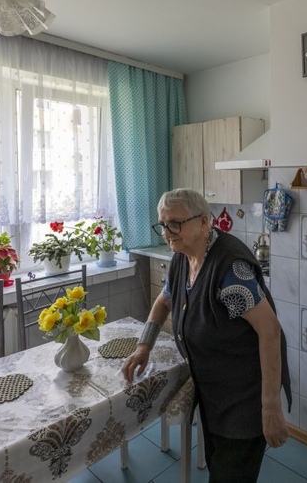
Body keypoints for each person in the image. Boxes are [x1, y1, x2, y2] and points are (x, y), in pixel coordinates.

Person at [122, 188, 292, 483]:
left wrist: (270, 407)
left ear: (203, 222)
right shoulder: (181, 259)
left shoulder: (230, 270)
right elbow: (164, 301)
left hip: (244, 398)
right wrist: (143, 346)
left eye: (175, 223)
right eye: (163, 225)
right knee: (220, 468)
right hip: (214, 392)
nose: (167, 233)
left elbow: (270, 330)